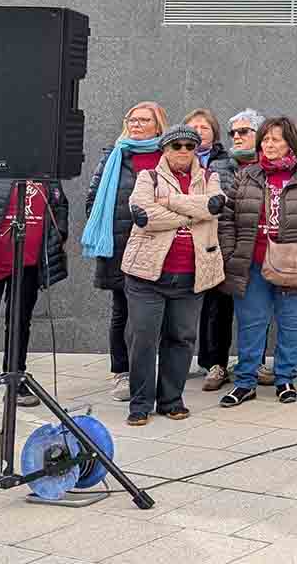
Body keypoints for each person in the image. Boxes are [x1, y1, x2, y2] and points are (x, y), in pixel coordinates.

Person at [217, 116, 297, 407]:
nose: (269, 145)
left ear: (290, 143)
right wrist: (231, 253)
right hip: (252, 263)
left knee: (292, 324)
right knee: (251, 325)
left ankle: (285, 379)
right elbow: (227, 218)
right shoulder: (246, 175)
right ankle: (245, 382)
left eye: (276, 139)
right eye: (265, 140)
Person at [122, 125, 227, 426]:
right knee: (143, 339)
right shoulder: (148, 177)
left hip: (192, 275)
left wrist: (168, 202)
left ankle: (171, 400)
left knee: (181, 338)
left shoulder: (210, 177)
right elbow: (144, 215)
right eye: (176, 146)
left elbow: (215, 205)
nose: (183, 151)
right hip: (147, 276)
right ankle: (140, 403)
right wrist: (194, 212)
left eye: (189, 146)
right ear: (165, 149)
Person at [83, 101, 168, 403]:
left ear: (158, 127)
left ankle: (148, 369)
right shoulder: (114, 156)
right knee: (121, 310)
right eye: (132, 119)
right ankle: (122, 371)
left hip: (157, 245)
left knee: (152, 313)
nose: (136, 124)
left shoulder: (168, 157)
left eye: (144, 120)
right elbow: (93, 199)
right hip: (119, 244)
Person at [0, 178, 68, 417]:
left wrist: (59, 233)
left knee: (19, 323)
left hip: (28, 262)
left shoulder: (46, 175)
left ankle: (16, 379)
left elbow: (60, 206)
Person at [187, 107, 240, 393]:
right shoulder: (172, 160)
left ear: (215, 133)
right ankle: (183, 358)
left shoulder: (227, 162)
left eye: (204, 127)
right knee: (181, 305)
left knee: (217, 306)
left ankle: (216, 362)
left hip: (214, 240)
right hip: (182, 240)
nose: (198, 132)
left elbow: (229, 198)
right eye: (193, 127)